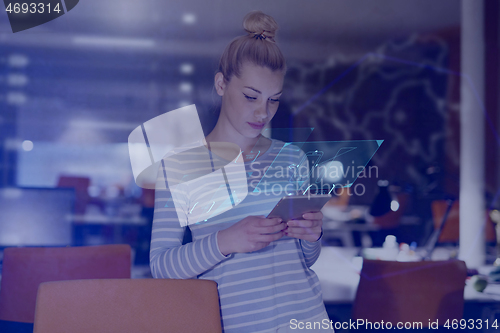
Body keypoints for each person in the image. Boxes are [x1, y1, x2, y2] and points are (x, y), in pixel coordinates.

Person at [150, 11, 333, 333]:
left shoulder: (292, 159)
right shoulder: (180, 166)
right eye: (251, 97)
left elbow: (305, 261)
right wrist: (226, 240)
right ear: (221, 84)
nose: (262, 112)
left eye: (273, 100)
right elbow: (162, 267)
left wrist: (312, 235)